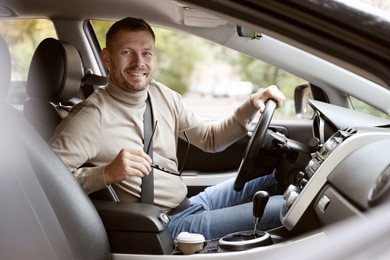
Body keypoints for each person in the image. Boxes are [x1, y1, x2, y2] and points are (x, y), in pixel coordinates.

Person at [50, 17, 286, 240]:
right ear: (107, 58)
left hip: (190, 205)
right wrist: (106, 173)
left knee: (280, 177)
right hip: (165, 227)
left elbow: (211, 139)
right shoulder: (90, 117)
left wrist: (252, 104)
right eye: (126, 52)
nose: (138, 62)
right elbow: (44, 183)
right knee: (286, 208)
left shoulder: (162, 95)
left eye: (146, 53)